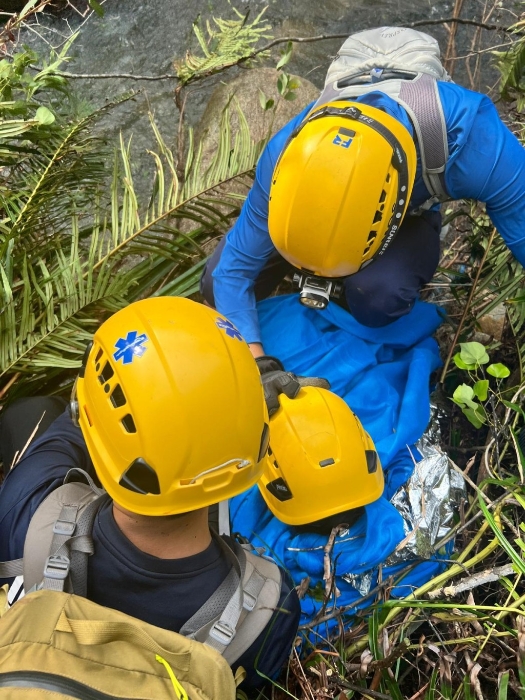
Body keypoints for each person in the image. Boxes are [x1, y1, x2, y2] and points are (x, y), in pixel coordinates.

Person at [200, 26, 525, 410]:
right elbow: (232, 270)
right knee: (212, 283)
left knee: (378, 298)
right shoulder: (285, 159)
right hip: (316, 194)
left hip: (411, 213)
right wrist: (259, 367)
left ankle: (358, 289)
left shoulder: (473, 141)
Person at [0, 297, 300, 693]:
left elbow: (80, 421)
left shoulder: (29, 508)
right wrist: (225, 410)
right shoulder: (268, 607)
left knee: (31, 410)